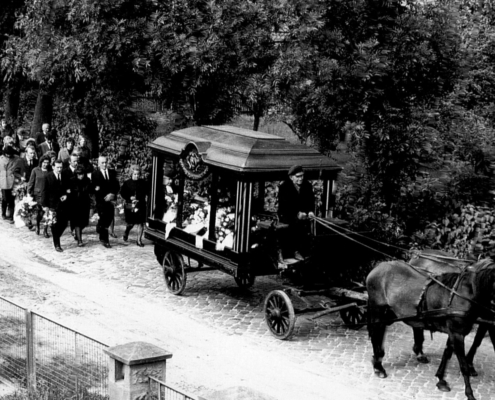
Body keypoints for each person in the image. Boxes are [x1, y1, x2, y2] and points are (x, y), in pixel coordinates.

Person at [277, 165, 315, 261]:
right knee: (296, 224)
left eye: (302, 176)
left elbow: (310, 201)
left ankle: (309, 251)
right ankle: (295, 251)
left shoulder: (307, 186)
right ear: (291, 177)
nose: (301, 178)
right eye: (298, 176)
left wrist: (310, 211)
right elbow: (285, 206)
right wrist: (297, 214)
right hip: (287, 215)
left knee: (312, 225)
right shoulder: (284, 187)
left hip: (303, 215)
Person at [91, 156, 120, 248]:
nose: (104, 164)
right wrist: (104, 196)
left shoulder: (112, 173)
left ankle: (99, 226)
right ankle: (105, 239)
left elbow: (117, 186)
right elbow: (96, 188)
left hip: (110, 201)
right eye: (102, 163)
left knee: (109, 218)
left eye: (106, 162)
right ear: (99, 164)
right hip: (101, 201)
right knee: (104, 218)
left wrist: (112, 194)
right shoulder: (95, 174)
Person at [44, 159, 69, 252]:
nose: (59, 169)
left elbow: (68, 188)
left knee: (64, 223)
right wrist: (45, 205)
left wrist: (66, 195)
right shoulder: (48, 176)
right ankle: (57, 244)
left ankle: (56, 236)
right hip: (52, 204)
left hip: (63, 204)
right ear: (53, 167)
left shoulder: (65, 176)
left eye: (61, 167)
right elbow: (44, 192)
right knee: (54, 224)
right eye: (57, 167)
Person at [120, 165, 147, 247]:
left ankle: (139, 240)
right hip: (130, 205)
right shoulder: (127, 183)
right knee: (131, 223)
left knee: (140, 223)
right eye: (135, 174)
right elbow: (122, 193)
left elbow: (146, 192)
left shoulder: (143, 183)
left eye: (138, 174)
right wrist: (129, 197)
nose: (136, 176)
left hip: (140, 204)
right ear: (131, 174)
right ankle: (127, 231)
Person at [27, 154, 52, 236]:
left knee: (47, 213)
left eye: (47, 162)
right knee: (39, 213)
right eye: (44, 162)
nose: (46, 164)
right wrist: (29, 194)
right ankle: (37, 225)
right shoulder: (35, 170)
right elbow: (31, 182)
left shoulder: (50, 170)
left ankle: (45, 230)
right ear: (41, 162)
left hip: (48, 195)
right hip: (37, 195)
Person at [68, 166, 92, 247]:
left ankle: (75, 232)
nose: (80, 176)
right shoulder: (72, 181)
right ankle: (79, 240)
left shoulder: (87, 180)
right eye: (78, 174)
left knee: (84, 222)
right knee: (77, 222)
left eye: (81, 174)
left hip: (85, 203)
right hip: (75, 203)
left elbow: (90, 190)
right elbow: (69, 191)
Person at [0, 145, 21, 223]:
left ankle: (11, 215)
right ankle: (3, 213)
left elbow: (18, 168)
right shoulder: (1, 159)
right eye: (7, 154)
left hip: (12, 181)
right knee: (4, 199)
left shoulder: (15, 159)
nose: (8, 155)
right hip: (3, 181)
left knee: (11, 199)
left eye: (9, 154)